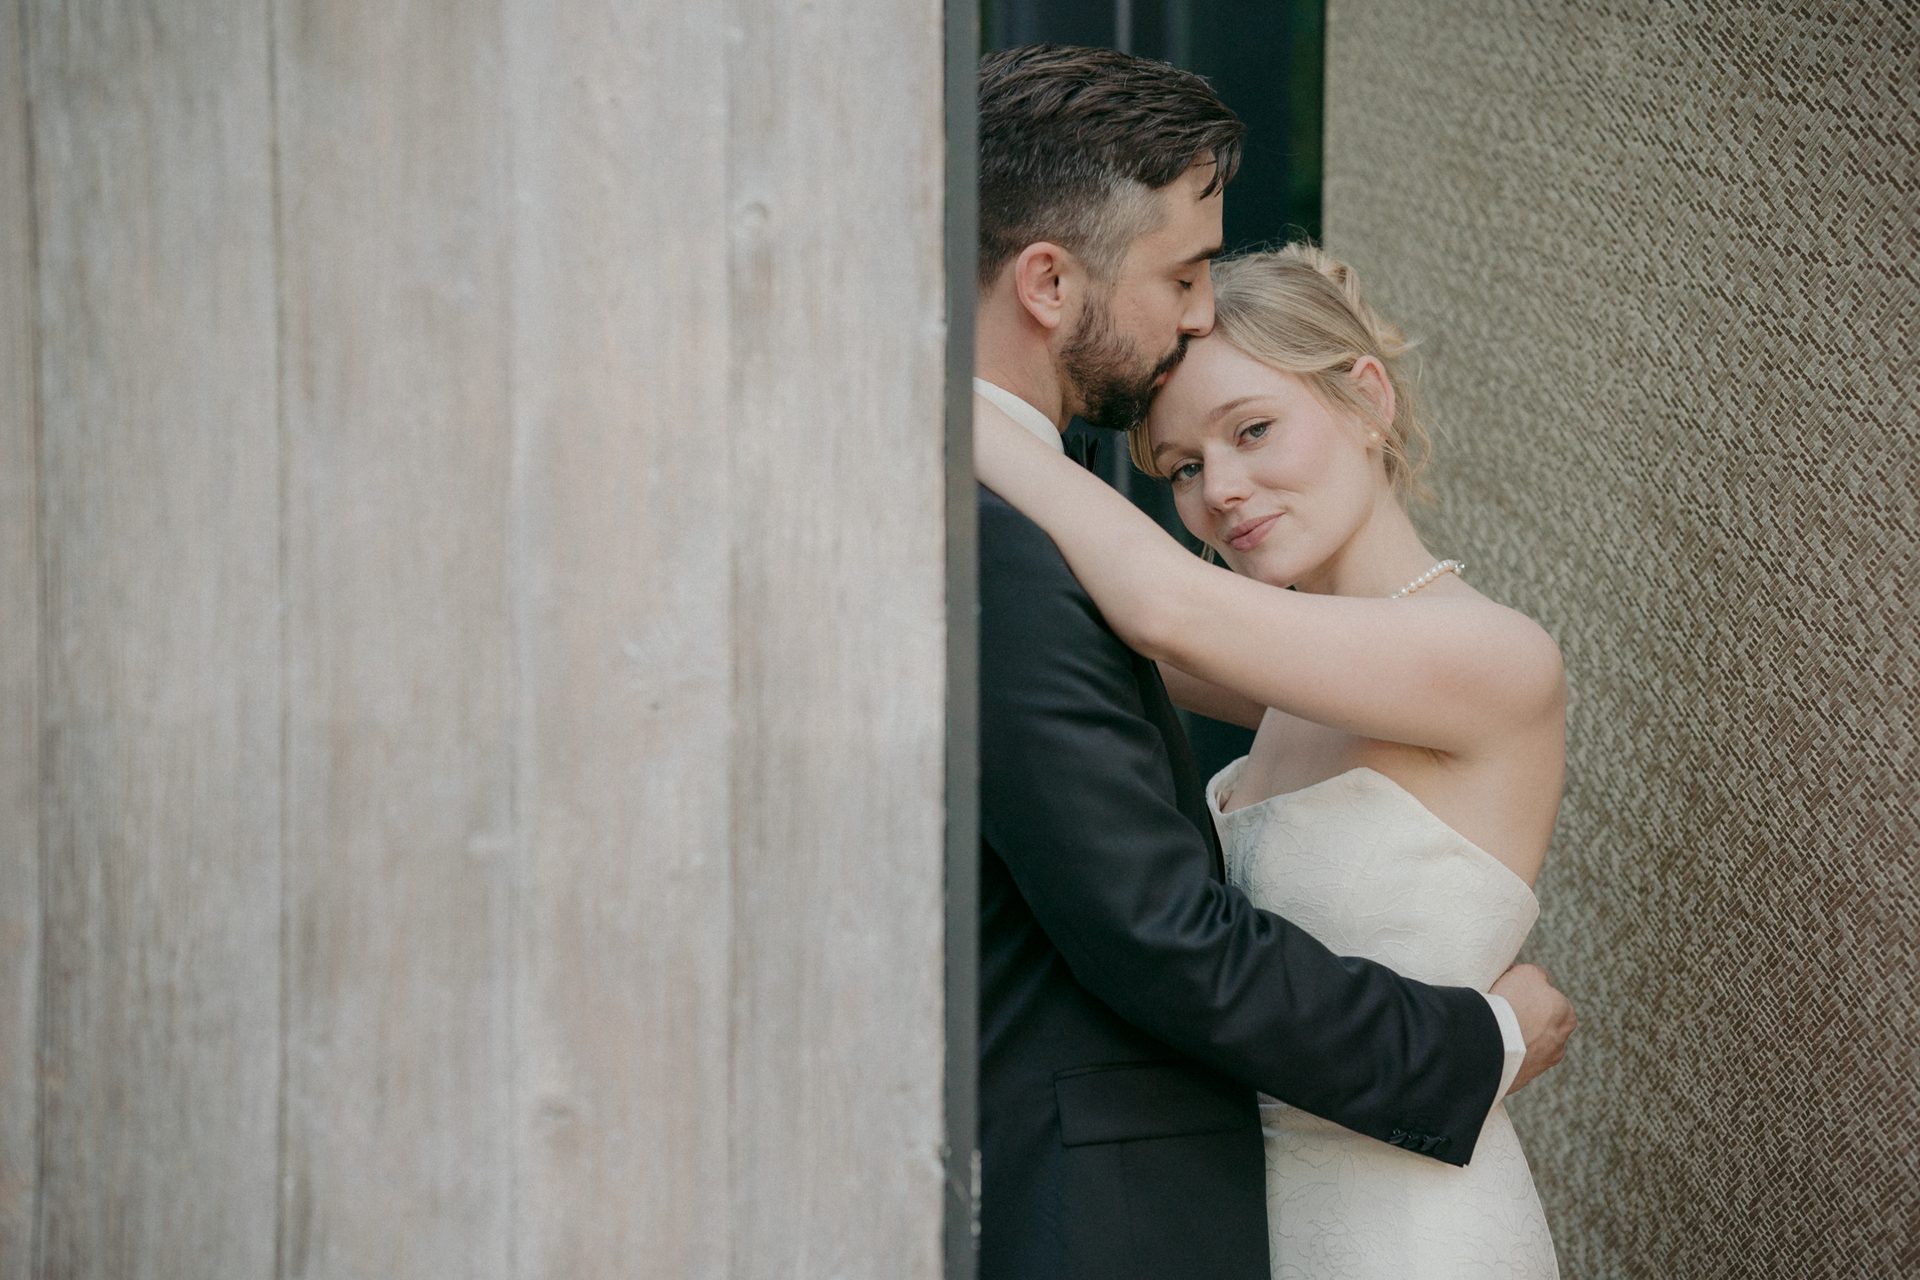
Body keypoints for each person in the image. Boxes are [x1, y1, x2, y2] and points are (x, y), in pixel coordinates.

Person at [971, 44, 1575, 1280]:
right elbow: (1134, 617)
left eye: (1254, 431)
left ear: (1367, 398)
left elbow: (1164, 608)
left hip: (1402, 1224)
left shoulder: (1487, 657)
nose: (1222, 490)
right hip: (1237, 1217)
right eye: (1183, 467)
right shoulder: (1288, 675)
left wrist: (975, 421)